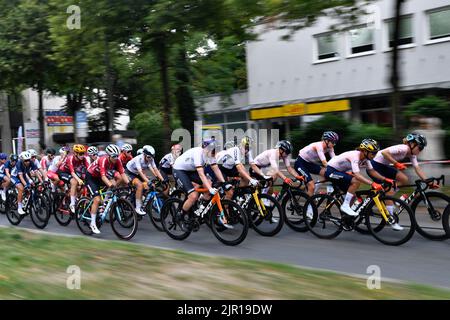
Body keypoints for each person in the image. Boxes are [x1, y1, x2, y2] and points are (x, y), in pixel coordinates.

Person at [324, 139, 400, 230]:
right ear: (364, 151)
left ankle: (345, 218)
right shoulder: (355, 156)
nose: (374, 155)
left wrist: (385, 179)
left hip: (341, 172)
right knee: (356, 181)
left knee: (353, 195)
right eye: (372, 153)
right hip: (331, 171)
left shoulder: (366, 158)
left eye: (375, 153)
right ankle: (345, 206)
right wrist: (372, 183)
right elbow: (357, 175)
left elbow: (372, 171)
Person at [172, 139, 230, 229]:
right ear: (204, 148)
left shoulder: (210, 154)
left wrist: (224, 182)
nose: (212, 151)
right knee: (193, 196)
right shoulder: (198, 153)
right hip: (179, 170)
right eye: (210, 149)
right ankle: (181, 215)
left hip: (191, 170)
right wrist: (210, 189)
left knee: (209, 183)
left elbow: (216, 169)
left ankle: (200, 208)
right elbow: (201, 174)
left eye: (213, 149)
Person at [86, 144, 130, 234]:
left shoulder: (117, 160)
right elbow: (103, 177)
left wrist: (129, 184)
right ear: (109, 155)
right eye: (114, 156)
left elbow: (123, 174)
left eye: (117, 156)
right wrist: (111, 185)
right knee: (97, 199)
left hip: (100, 176)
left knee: (115, 182)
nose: (116, 158)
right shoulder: (103, 160)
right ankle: (93, 223)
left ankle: (105, 203)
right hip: (91, 177)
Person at [369, 133, 438, 189]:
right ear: (412, 144)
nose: (421, 150)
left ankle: (393, 198)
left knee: (403, 179)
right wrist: (396, 164)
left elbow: (417, 169)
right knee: (388, 190)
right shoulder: (404, 148)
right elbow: (384, 153)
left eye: (422, 148)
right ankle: (389, 202)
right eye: (420, 148)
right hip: (375, 166)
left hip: (383, 166)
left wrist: (429, 183)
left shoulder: (412, 154)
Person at [296, 131, 338, 197]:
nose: (334, 144)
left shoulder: (330, 148)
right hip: (301, 163)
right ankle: (309, 205)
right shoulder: (318, 146)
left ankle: (313, 193)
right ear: (326, 141)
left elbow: (335, 160)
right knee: (311, 185)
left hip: (310, 164)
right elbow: (324, 162)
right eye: (333, 142)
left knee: (327, 174)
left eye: (335, 142)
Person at [126, 145, 165, 215]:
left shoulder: (151, 159)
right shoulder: (138, 159)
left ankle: (140, 197)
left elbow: (155, 169)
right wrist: (148, 181)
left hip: (137, 173)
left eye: (151, 157)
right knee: (140, 185)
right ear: (144, 154)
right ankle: (138, 208)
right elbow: (141, 173)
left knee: (149, 185)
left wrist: (162, 180)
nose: (150, 159)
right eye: (148, 157)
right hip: (130, 173)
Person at [58, 144, 89, 213]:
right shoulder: (70, 158)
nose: (82, 155)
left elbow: (89, 169)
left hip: (72, 173)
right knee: (74, 182)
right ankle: (72, 204)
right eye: (80, 154)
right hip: (63, 172)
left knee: (81, 186)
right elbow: (72, 172)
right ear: (75, 153)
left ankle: (75, 197)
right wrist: (79, 180)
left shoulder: (83, 159)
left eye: (83, 153)